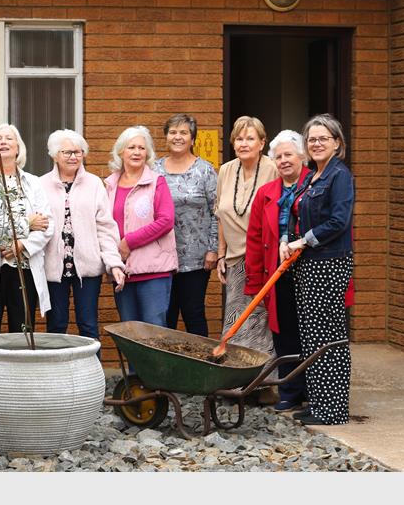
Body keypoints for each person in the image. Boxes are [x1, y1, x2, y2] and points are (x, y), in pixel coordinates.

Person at [284, 113, 355, 426]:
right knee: (312, 337)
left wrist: (303, 241)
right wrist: (290, 239)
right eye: (311, 139)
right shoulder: (312, 175)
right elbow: (298, 213)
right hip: (309, 265)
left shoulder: (340, 175)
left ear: (337, 143)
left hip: (328, 263)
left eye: (323, 138)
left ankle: (333, 410)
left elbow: (339, 221)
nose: (316, 143)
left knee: (328, 338)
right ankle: (318, 403)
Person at [41, 129, 126, 352]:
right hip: (52, 270)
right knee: (56, 327)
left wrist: (114, 263)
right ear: (54, 155)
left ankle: (92, 381)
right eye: (67, 152)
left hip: (87, 269)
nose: (73, 157)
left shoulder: (95, 184)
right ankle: (56, 381)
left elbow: (105, 228)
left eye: (78, 152)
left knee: (88, 327)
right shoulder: (40, 185)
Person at [244, 130, 311, 412]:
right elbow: (256, 239)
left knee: (313, 332)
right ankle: (290, 390)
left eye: (289, 155)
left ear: (301, 157)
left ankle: (316, 391)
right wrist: (255, 281)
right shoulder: (266, 193)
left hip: (312, 271)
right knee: (285, 334)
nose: (284, 161)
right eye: (279, 156)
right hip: (279, 274)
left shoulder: (316, 183)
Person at [215, 116, 279, 402]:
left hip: (264, 258)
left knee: (262, 321)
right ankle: (237, 381)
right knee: (237, 321)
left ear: (262, 143)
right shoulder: (226, 171)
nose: (244, 143)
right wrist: (220, 254)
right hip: (234, 260)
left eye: (250, 138)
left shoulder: (273, 169)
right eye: (239, 139)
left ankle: (264, 385)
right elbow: (220, 216)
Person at [105, 126, 178, 327]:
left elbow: (166, 220)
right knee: (130, 333)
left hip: (153, 272)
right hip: (122, 272)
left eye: (141, 148)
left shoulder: (157, 182)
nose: (137, 152)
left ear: (148, 153)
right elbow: (103, 225)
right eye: (131, 147)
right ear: (121, 151)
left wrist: (129, 242)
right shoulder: (109, 185)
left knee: (154, 333)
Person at [153, 114, 218, 337]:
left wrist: (213, 249)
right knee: (165, 316)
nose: (177, 137)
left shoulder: (206, 170)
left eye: (183, 133)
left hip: (196, 258)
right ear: (166, 137)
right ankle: (168, 369)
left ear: (192, 139)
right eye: (172, 132)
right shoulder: (154, 170)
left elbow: (216, 211)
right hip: (161, 257)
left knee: (194, 314)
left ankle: (201, 369)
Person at [0, 123, 54, 334]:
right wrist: (27, 222)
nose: (3, 142)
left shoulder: (33, 183)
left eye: (9, 138)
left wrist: (21, 243)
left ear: (18, 148)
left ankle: (20, 369)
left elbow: (46, 225)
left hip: (24, 267)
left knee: (22, 330)